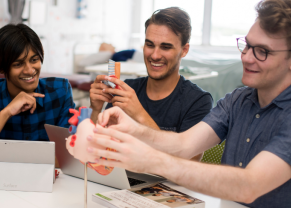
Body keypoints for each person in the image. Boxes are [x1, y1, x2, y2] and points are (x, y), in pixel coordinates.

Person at [83, 0, 291, 207]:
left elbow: (248, 186)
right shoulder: (238, 100)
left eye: (262, 51)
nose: (246, 57)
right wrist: (133, 129)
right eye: (247, 45)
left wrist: (147, 159)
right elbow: (183, 144)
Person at [89, 7, 212, 161]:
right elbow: (96, 151)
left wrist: (139, 114)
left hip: (166, 185)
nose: (154, 55)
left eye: (165, 47)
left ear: (184, 50)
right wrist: (96, 109)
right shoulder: (127, 89)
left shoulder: (198, 101)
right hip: (121, 180)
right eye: (150, 45)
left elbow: (188, 164)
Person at [0, 24, 75, 175]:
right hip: (0, 187)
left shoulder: (59, 91)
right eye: (18, 64)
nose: (30, 70)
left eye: (34, 59)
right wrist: (6, 113)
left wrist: (9, 156)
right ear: (3, 68)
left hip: (48, 186)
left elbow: (70, 157)